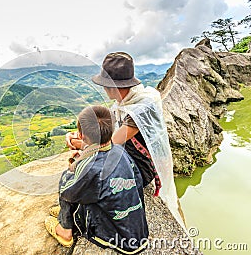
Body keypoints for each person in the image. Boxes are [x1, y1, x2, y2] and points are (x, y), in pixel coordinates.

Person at [66, 52, 182, 225]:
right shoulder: (124, 102)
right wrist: (78, 134)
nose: (103, 89)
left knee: (88, 174)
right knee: (84, 158)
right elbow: (106, 127)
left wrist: (81, 144)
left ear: (112, 87)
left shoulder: (140, 108)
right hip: (126, 154)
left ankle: (72, 216)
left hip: (140, 167)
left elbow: (110, 142)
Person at [45, 105, 149, 254]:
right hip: (137, 230)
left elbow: (67, 190)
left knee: (67, 182)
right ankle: (66, 213)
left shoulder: (91, 168)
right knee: (83, 184)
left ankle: (65, 230)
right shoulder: (120, 150)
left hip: (117, 235)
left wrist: (75, 167)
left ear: (81, 136)